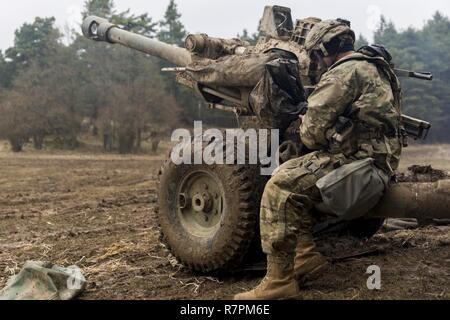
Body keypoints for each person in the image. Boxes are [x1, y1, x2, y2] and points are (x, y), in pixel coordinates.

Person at [234, 19, 403, 300]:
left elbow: (311, 136)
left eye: (315, 54)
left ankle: (279, 283)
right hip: (376, 163)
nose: (315, 61)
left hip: (362, 168)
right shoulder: (374, 66)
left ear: (325, 49)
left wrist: (303, 120)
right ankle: (305, 257)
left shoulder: (343, 74)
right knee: (294, 169)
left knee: (281, 185)